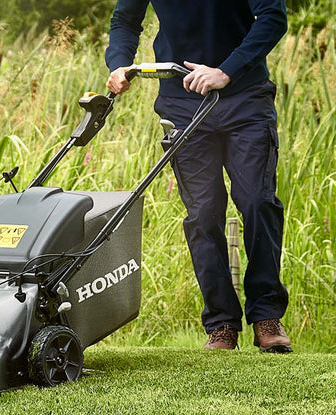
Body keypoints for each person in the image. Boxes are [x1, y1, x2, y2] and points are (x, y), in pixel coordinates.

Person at [106, 0, 292, 352]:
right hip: (181, 101)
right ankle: (222, 324)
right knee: (203, 213)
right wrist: (119, 64)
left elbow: (272, 17)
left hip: (245, 97)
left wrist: (227, 70)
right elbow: (125, 21)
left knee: (257, 201)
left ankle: (266, 316)